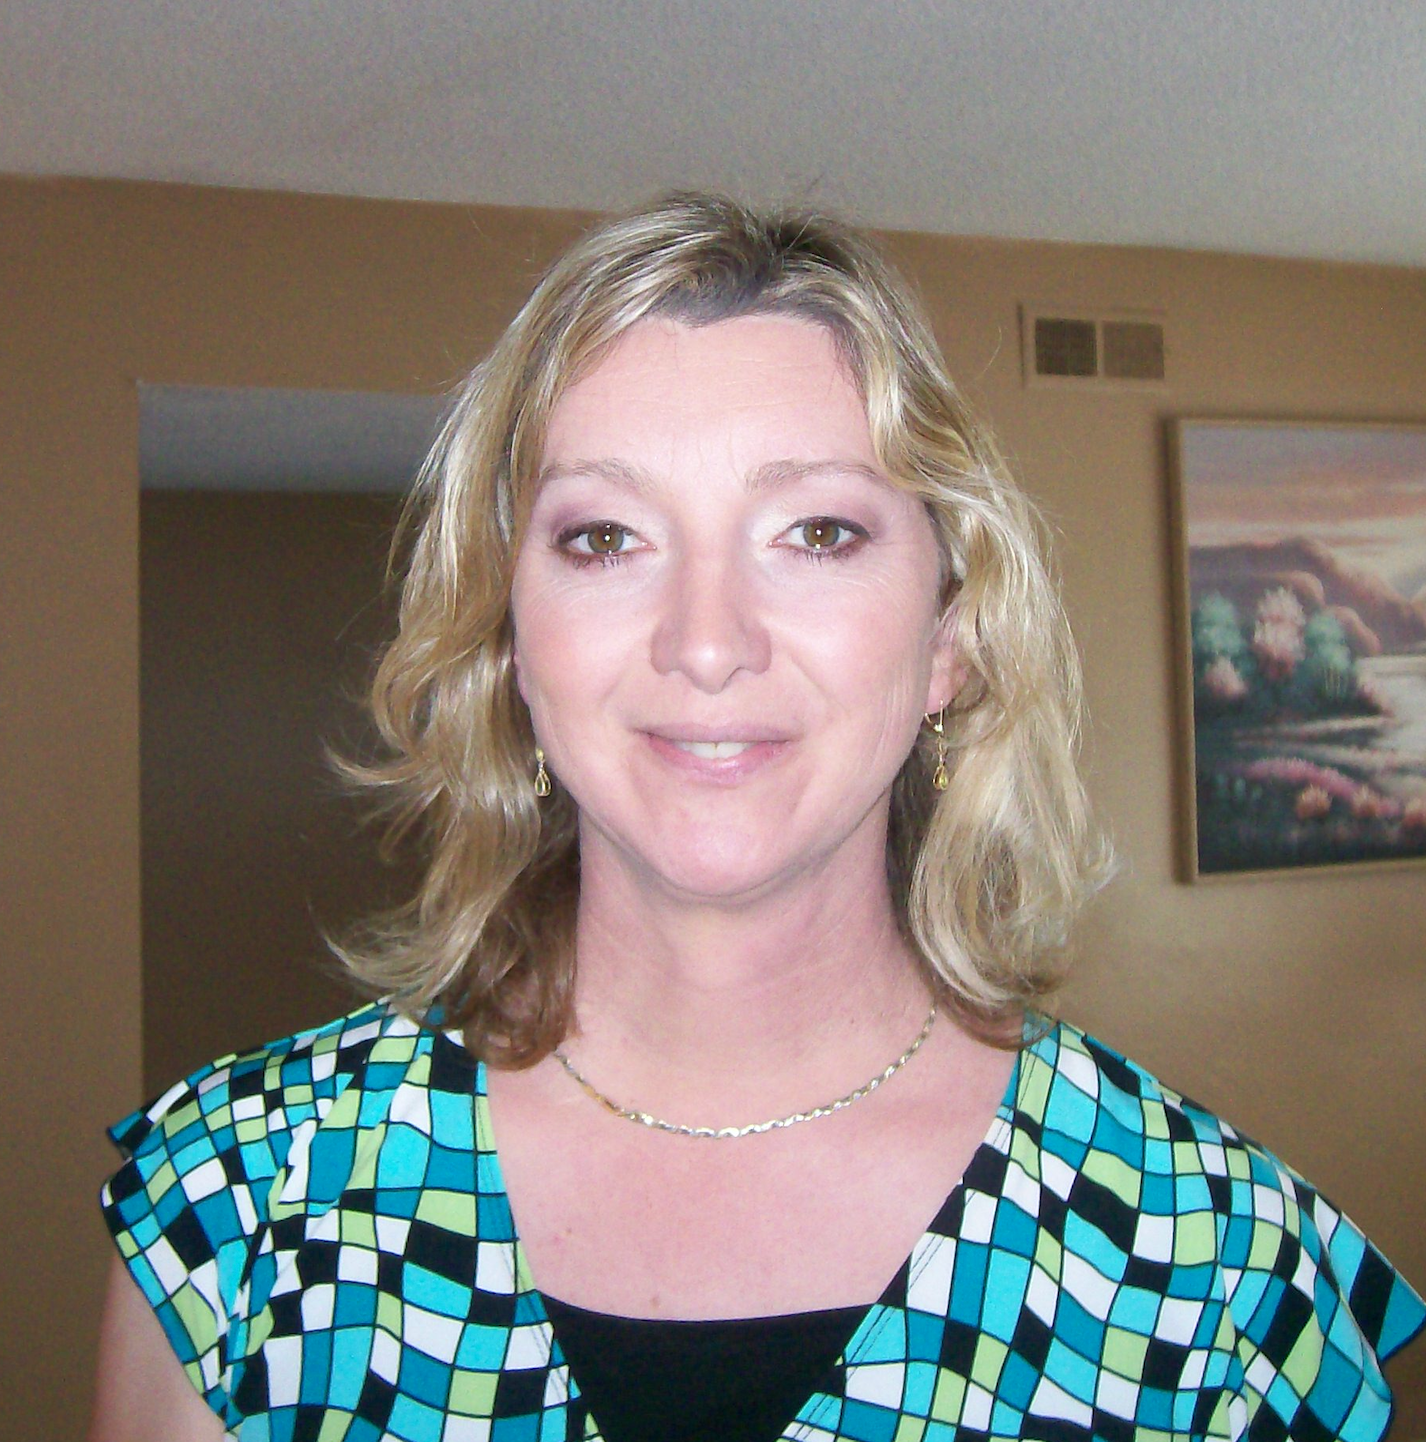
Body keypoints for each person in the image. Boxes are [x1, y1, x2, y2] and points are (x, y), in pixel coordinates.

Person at [91, 193, 1423, 1442]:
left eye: (817, 532)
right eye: (606, 537)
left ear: (949, 635)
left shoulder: (1214, 1266)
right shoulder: (243, 1205)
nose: (707, 642)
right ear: (508, 638)